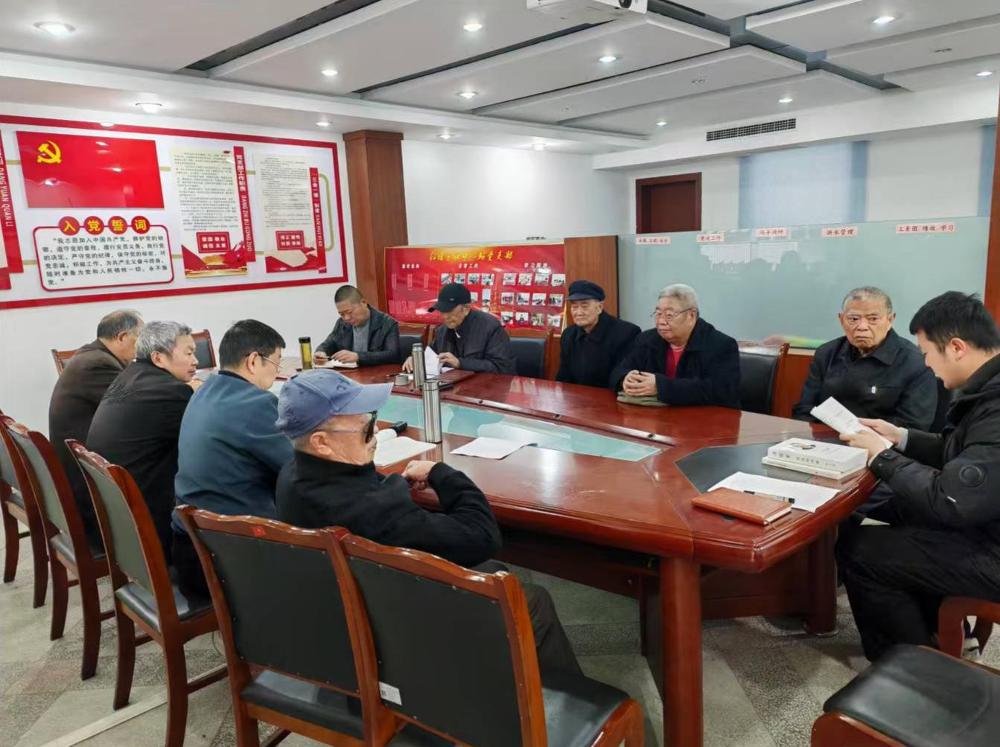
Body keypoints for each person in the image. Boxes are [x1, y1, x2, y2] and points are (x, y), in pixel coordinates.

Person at [275, 369, 581, 675]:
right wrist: (441, 474)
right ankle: (557, 699)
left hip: (342, 620)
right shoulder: (378, 511)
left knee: (493, 571)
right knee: (532, 601)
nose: (375, 434)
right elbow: (482, 535)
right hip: (398, 635)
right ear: (322, 442)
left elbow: (358, 485)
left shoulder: (291, 477)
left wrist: (394, 484)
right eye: (367, 430)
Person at [837, 292, 1000, 662]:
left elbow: (951, 500)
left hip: (992, 548)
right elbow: (963, 453)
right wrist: (900, 437)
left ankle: (915, 668)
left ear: (956, 347)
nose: (925, 363)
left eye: (927, 353)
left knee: (860, 550)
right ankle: (938, 632)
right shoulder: (987, 387)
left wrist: (881, 456)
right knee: (901, 510)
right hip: (987, 519)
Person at [171, 319, 293, 598]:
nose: (276, 373)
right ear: (253, 361)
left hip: (190, 546)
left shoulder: (203, 391)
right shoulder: (255, 403)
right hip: (228, 559)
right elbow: (298, 471)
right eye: (275, 363)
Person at [86, 321, 199, 561]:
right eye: (189, 353)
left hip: (120, 515)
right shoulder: (171, 392)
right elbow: (204, 444)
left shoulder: (128, 375)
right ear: (158, 358)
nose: (195, 361)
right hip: (153, 519)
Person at [48, 310, 144, 547]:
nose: (143, 346)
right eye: (140, 338)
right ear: (123, 337)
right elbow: (136, 408)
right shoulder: (98, 364)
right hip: (89, 485)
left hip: (84, 464)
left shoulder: (91, 355)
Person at [793, 287, 937, 429]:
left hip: (881, 443)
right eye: (853, 319)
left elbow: (913, 426)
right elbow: (805, 410)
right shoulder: (826, 353)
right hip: (823, 439)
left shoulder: (915, 362)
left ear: (890, 319)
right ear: (841, 320)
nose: (862, 326)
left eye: (873, 319)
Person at [610, 283, 740, 407]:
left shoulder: (721, 345)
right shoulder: (647, 339)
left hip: (704, 418)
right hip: (656, 416)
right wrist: (625, 378)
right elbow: (618, 371)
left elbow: (720, 391)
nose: (661, 321)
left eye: (669, 315)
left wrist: (660, 386)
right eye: (658, 314)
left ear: (691, 315)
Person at [402, 283, 515, 374]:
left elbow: (502, 367)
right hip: (453, 387)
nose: (445, 316)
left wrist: (460, 363)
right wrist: (417, 360)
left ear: (466, 308)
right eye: (442, 311)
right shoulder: (442, 330)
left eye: (449, 311)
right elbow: (431, 355)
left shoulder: (490, 327)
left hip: (487, 388)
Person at [556, 280, 640, 388]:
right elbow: (563, 376)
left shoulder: (626, 333)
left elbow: (620, 377)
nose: (579, 313)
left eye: (585, 306)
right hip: (575, 396)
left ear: (599, 307)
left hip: (610, 396)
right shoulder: (568, 334)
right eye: (574, 307)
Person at [315, 285, 401, 366]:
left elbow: (392, 355)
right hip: (349, 374)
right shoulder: (342, 323)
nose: (346, 318)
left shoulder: (387, 323)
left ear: (364, 302)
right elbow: (329, 343)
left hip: (378, 374)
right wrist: (321, 352)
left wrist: (358, 357)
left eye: (349, 312)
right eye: (342, 314)